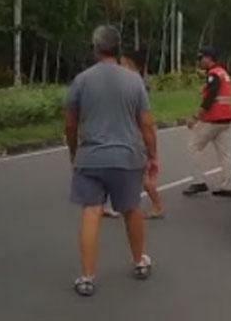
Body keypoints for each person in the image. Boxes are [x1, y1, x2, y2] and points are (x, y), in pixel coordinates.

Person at [65, 26, 158, 297]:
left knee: (91, 211)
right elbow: (147, 125)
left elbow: (70, 124)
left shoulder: (81, 80)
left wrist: (73, 151)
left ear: (95, 48)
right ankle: (140, 261)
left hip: (90, 157)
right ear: (117, 49)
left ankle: (87, 277)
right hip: (127, 157)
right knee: (131, 209)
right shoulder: (134, 81)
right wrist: (153, 156)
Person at [182, 46, 231, 197]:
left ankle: (199, 181)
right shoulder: (223, 73)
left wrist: (196, 118)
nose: (199, 61)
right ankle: (228, 186)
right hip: (227, 118)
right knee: (226, 154)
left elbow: (210, 97)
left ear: (209, 58)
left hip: (214, 118)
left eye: (201, 58)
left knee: (193, 147)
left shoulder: (213, 74)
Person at [120, 49, 164, 219]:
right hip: (130, 134)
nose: (120, 66)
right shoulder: (132, 83)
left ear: (130, 64)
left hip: (136, 137)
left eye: (122, 63)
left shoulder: (136, 84)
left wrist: (152, 149)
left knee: (142, 176)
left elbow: (145, 120)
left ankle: (158, 205)